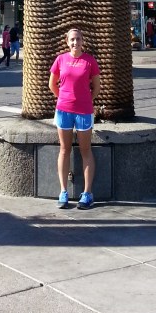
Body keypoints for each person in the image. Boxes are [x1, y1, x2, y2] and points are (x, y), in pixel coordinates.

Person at [49, 28, 101, 210]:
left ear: (82, 40)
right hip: (63, 111)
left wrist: (86, 101)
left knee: (85, 150)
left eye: (78, 39)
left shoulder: (90, 61)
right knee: (64, 149)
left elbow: (96, 87)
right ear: (67, 41)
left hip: (84, 112)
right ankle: (63, 191)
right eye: (72, 39)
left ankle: (87, 194)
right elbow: (52, 84)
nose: (75, 42)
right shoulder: (60, 59)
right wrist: (63, 98)